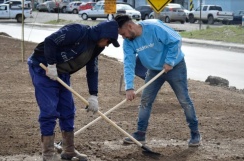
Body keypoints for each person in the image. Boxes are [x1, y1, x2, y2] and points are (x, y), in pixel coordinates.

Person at [27, 20, 120, 161]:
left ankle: (69, 150)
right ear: (103, 36)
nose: (107, 45)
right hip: (43, 69)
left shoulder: (94, 49)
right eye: (108, 41)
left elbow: (93, 71)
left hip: (62, 73)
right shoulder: (77, 31)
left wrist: (93, 95)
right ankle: (48, 154)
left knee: (68, 110)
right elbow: (50, 41)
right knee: (49, 111)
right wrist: (51, 65)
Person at [114, 15, 201, 147]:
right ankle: (140, 134)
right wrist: (129, 87)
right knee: (145, 101)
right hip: (154, 70)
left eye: (123, 33)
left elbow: (175, 40)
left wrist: (170, 61)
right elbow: (129, 64)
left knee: (184, 100)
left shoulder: (154, 27)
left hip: (175, 67)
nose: (123, 37)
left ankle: (195, 134)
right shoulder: (129, 42)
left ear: (130, 26)